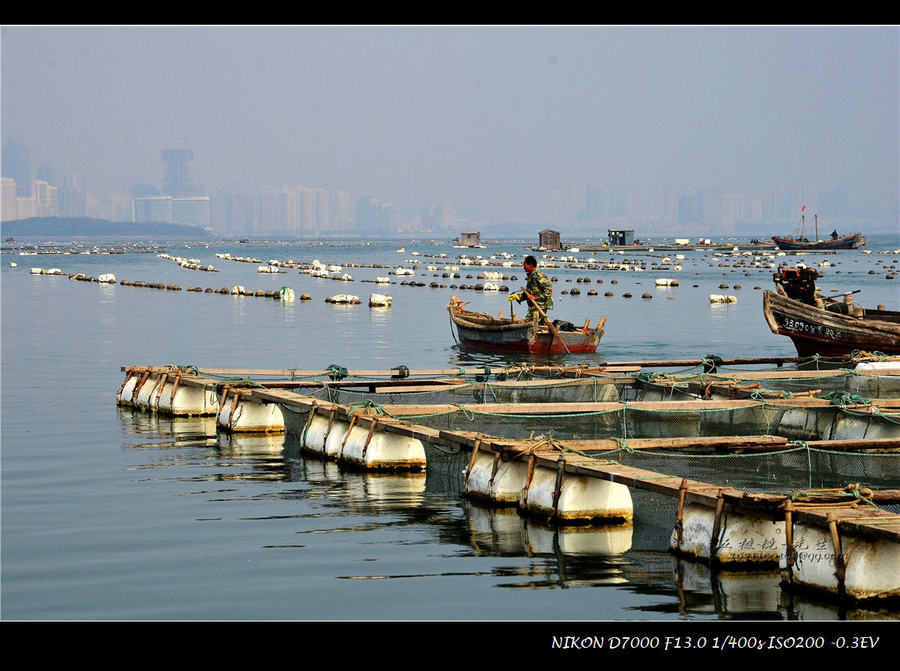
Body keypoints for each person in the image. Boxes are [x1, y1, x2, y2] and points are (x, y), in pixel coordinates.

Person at [508, 255, 553, 321]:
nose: (523, 267)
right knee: (537, 324)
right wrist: (518, 297)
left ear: (530, 265)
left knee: (527, 322)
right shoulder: (530, 276)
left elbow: (549, 290)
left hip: (540, 306)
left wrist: (536, 297)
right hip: (533, 306)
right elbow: (529, 293)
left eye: (524, 265)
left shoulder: (538, 276)